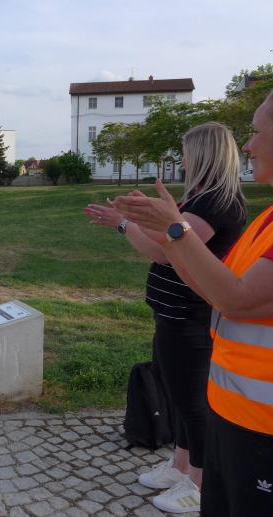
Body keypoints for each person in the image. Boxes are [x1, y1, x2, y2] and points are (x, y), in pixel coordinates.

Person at [113, 76, 273, 516]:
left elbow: (237, 299)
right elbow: (215, 290)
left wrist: (175, 230)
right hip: (234, 421)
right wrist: (168, 233)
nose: (246, 146)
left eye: (255, 131)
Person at [86, 122, 247, 513]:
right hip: (171, 313)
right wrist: (144, 218)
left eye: (187, 153)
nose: (183, 160)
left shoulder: (215, 204)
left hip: (190, 315)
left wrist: (125, 223)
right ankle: (181, 465)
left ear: (204, 155)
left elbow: (163, 251)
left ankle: (200, 483)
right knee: (177, 393)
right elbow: (165, 239)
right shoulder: (199, 199)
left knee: (192, 401)